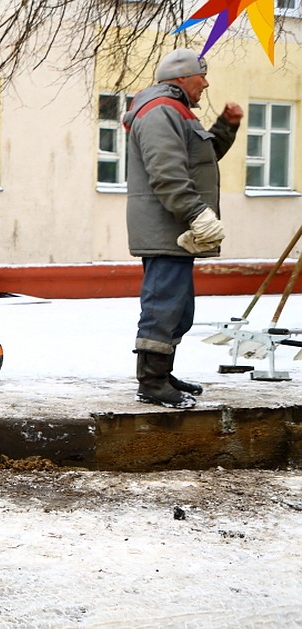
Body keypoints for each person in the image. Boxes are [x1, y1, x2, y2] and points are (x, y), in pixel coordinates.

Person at [123, 48, 242, 409]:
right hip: (166, 229)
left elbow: (197, 159)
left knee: (178, 307)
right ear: (180, 78)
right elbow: (168, 173)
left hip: (173, 228)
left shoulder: (175, 111)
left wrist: (225, 127)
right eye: (200, 76)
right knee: (163, 305)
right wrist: (195, 213)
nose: (206, 83)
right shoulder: (161, 111)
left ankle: (163, 373)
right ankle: (152, 382)